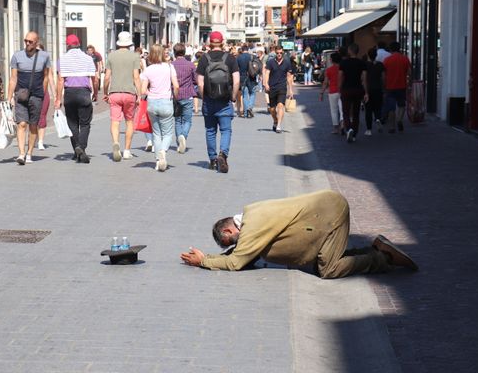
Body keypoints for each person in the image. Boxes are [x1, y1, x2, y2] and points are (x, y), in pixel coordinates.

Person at [180, 190, 418, 278]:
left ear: (230, 229)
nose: (235, 243)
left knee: (328, 269)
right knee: (327, 258)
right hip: (324, 210)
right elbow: (241, 252)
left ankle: (383, 259)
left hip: (330, 212)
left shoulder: (253, 225)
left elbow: (236, 260)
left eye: (230, 240)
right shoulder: (251, 215)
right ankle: (375, 249)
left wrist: (204, 261)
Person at [196, 31, 240, 173]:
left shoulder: (204, 59)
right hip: (225, 100)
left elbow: (200, 83)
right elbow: (237, 80)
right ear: (222, 42)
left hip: (209, 100)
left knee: (210, 131)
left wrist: (204, 97)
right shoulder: (230, 58)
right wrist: (233, 96)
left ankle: (213, 159)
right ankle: (223, 154)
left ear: (209, 43)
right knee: (226, 130)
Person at [6, 31, 51, 165]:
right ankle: (21, 153)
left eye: (30, 41)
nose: (27, 43)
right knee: (22, 124)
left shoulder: (44, 57)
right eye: (26, 40)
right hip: (21, 93)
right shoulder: (17, 56)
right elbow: (13, 78)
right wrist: (9, 98)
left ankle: (29, 153)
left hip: (37, 95)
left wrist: (43, 93)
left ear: (36, 43)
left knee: (33, 125)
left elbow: (46, 76)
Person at [54, 34, 97, 163]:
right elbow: (94, 78)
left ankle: (77, 148)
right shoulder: (88, 58)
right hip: (84, 93)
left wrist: (58, 98)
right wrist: (95, 92)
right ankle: (81, 148)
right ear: (78, 44)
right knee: (85, 123)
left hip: (69, 93)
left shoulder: (62, 59)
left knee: (72, 123)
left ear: (68, 45)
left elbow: (60, 80)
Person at [140, 44, 179, 171]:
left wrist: (151, 93)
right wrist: (175, 97)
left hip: (152, 103)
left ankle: (158, 160)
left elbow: (143, 90)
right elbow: (176, 86)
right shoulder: (169, 67)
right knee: (167, 133)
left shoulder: (148, 69)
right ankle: (163, 151)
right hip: (166, 101)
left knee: (156, 133)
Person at [103, 31, 141, 162]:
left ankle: (115, 142)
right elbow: (136, 77)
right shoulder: (135, 56)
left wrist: (105, 92)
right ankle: (127, 151)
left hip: (114, 93)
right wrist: (139, 95)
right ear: (129, 42)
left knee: (115, 121)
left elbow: (107, 77)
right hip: (129, 93)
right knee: (129, 121)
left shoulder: (111, 56)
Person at [338, 43, 368, 143]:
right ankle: (354, 133)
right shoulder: (361, 63)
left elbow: (341, 76)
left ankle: (349, 128)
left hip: (346, 89)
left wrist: (339, 88)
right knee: (356, 113)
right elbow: (364, 78)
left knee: (345, 111)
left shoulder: (344, 63)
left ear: (350, 51)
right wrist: (366, 92)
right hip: (358, 89)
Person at [171, 42, 197, 154]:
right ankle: (183, 136)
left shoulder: (171, 65)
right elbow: (195, 79)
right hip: (188, 95)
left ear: (174, 52)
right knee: (187, 120)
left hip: (175, 96)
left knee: (177, 120)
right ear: (184, 52)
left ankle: (179, 141)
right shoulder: (190, 65)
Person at [263, 45, 293, 133]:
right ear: (275, 52)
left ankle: (279, 125)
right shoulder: (271, 62)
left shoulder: (287, 62)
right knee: (272, 109)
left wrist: (290, 89)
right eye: (277, 53)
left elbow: (289, 76)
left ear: (283, 52)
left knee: (280, 105)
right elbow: (267, 73)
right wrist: (266, 84)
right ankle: (275, 120)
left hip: (282, 87)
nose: (279, 54)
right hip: (272, 87)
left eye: (281, 53)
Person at [383, 42, 411, 133]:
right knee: (401, 105)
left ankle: (392, 127)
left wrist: (384, 85)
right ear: (399, 48)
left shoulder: (387, 60)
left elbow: (383, 75)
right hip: (402, 86)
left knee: (391, 108)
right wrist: (409, 83)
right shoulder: (405, 59)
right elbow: (409, 73)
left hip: (390, 86)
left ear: (390, 49)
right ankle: (399, 119)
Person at [36, 43, 56, 150]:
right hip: (32, 94)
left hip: (44, 94)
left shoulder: (46, 65)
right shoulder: (28, 64)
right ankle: (34, 138)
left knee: (42, 117)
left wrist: (55, 96)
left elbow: (51, 80)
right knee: (32, 118)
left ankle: (40, 141)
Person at [319, 52, 342, 134]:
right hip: (342, 91)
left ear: (332, 60)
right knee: (342, 109)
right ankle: (343, 124)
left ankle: (336, 128)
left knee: (334, 110)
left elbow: (325, 82)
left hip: (332, 91)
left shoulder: (329, 70)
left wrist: (321, 92)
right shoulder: (342, 69)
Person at [365, 47, 386, 135]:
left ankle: (369, 129)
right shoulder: (380, 65)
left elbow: (364, 78)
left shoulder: (365, 65)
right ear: (376, 55)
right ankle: (378, 118)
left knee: (368, 110)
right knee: (378, 107)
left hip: (369, 89)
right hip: (378, 89)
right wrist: (383, 87)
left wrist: (365, 91)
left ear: (368, 55)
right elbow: (383, 77)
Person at [236, 45, 258, 118]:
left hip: (242, 78)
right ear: (248, 49)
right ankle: (249, 107)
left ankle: (246, 113)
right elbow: (257, 67)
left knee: (245, 95)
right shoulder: (252, 56)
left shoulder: (238, 57)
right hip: (252, 77)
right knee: (252, 93)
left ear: (242, 50)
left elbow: (236, 69)